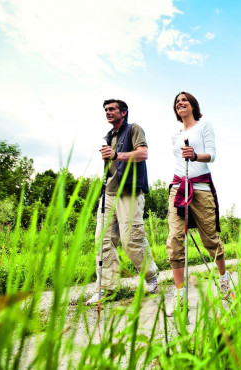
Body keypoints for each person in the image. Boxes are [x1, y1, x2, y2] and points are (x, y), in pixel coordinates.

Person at [85, 99, 158, 305]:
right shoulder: (109, 136)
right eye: (106, 110)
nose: (108, 112)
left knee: (131, 239)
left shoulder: (133, 129)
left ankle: (151, 276)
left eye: (112, 109)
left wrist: (117, 155)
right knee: (103, 241)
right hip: (108, 193)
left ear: (123, 113)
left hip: (129, 191)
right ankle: (106, 288)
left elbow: (143, 153)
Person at [165, 91, 231, 316]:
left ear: (193, 105)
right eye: (177, 102)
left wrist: (194, 155)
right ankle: (180, 296)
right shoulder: (175, 135)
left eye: (184, 100)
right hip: (178, 186)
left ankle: (224, 283)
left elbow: (212, 155)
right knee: (174, 240)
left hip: (201, 188)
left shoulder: (204, 126)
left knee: (210, 240)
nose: (180, 103)